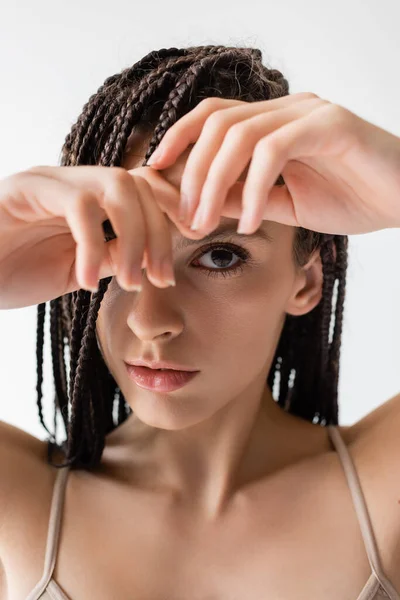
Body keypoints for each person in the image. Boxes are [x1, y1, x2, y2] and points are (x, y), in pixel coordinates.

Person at [0, 44, 400, 600]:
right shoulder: (14, 498)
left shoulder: (387, 489)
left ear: (306, 280)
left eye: (220, 257)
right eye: (115, 242)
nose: (150, 319)